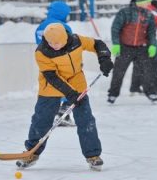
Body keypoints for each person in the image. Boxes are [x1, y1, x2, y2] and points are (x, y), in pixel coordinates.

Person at [16, 23, 113, 170]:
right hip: (51, 88)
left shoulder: (76, 41)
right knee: (41, 121)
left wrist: (104, 58)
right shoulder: (42, 52)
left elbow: (97, 44)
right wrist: (70, 93)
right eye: (50, 42)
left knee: (86, 120)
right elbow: (51, 76)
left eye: (57, 42)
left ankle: (93, 155)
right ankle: (32, 153)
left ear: (65, 38)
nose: (54, 45)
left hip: (77, 83)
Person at [107, 0, 157, 104]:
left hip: (141, 48)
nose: (149, 4)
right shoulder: (125, 12)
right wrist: (116, 44)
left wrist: (152, 45)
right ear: (141, 2)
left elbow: (151, 33)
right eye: (147, 2)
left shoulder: (149, 15)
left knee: (147, 72)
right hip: (125, 47)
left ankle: (151, 93)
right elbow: (115, 28)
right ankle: (112, 94)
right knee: (118, 72)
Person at [35, 0, 75, 126]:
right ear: (62, 13)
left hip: (46, 63)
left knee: (50, 87)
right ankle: (63, 113)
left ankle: (46, 116)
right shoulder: (63, 27)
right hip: (62, 62)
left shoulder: (41, 26)